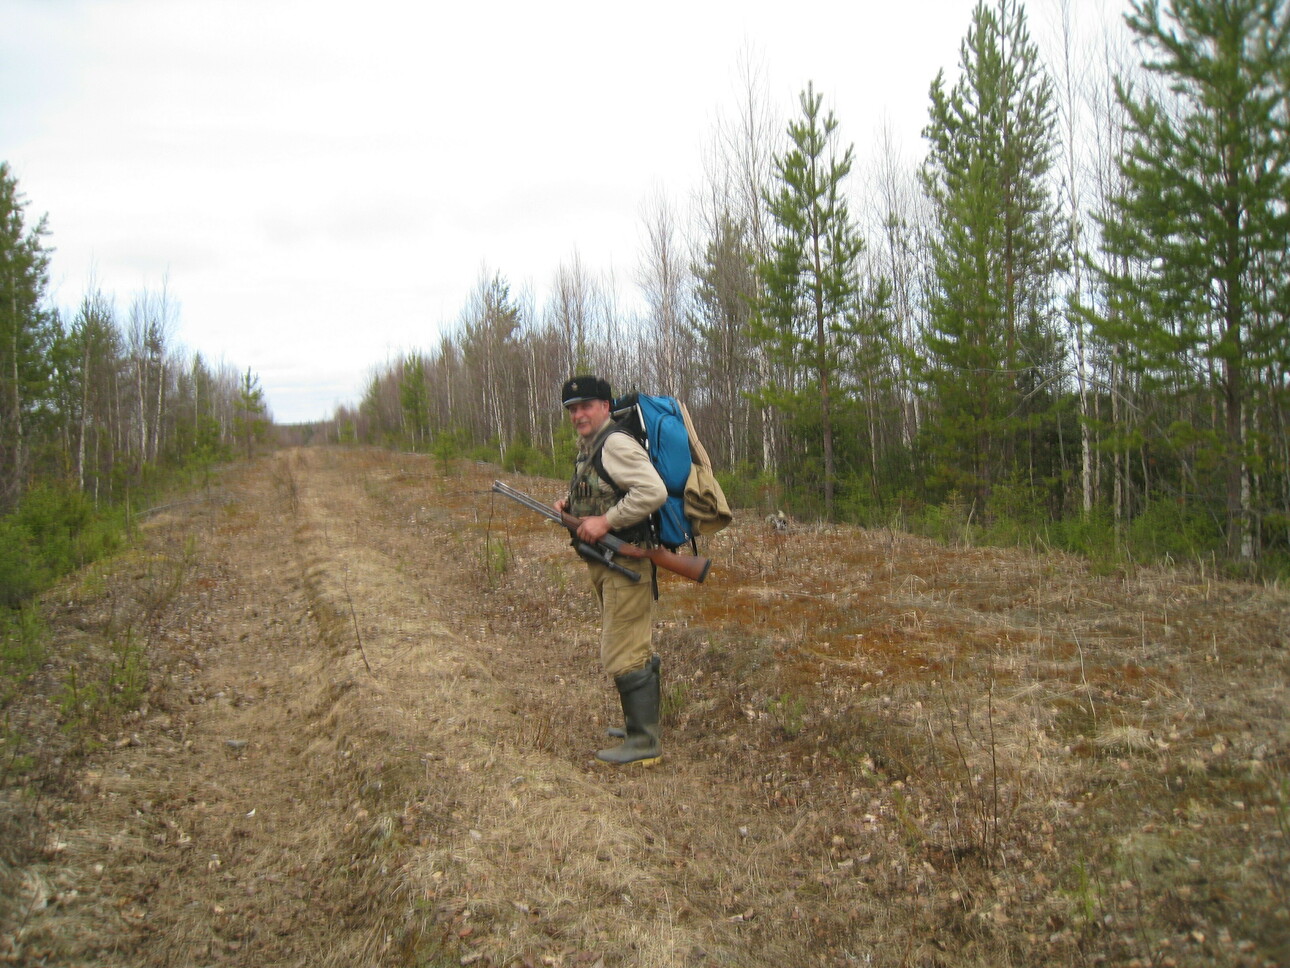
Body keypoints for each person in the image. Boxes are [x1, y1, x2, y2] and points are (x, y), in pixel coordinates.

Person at [554, 375, 668, 766]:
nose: (578, 414)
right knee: (633, 642)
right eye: (572, 409)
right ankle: (640, 726)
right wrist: (570, 507)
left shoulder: (615, 442)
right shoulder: (591, 446)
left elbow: (652, 492)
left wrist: (605, 522)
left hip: (625, 561)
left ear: (605, 406)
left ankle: (644, 743)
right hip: (607, 562)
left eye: (586, 406)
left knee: (622, 649)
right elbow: (604, 489)